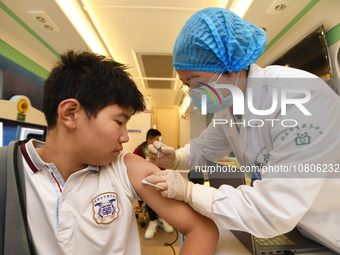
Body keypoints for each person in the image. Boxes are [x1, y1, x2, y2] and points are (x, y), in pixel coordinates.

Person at [145, 7, 340, 254]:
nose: (194, 94)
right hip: (305, 226)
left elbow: (274, 209)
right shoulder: (230, 106)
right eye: (187, 86)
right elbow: (205, 147)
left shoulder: (301, 100)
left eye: (197, 82)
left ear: (232, 66)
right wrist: (176, 158)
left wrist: (190, 192)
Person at [0, 50, 219, 255]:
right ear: (70, 114)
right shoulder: (7, 169)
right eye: (119, 121)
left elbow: (202, 229)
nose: (125, 136)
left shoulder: (125, 168)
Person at [133, 129, 174, 239]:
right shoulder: (138, 151)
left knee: (165, 190)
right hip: (144, 183)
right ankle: (153, 221)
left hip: (157, 181)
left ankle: (160, 218)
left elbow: (162, 167)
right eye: (157, 139)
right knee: (151, 191)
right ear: (149, 140)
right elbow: (134, 170)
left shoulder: (159, 151)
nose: (159, 142)